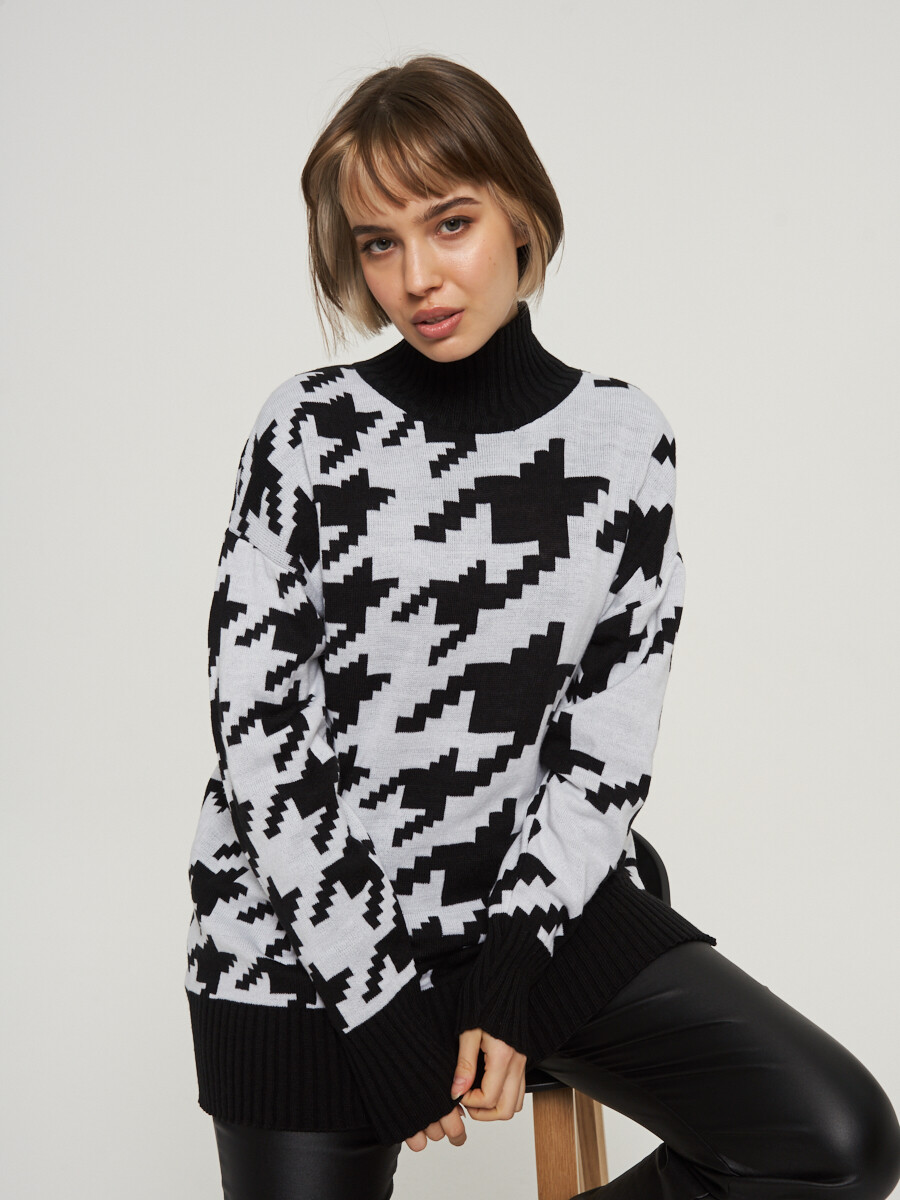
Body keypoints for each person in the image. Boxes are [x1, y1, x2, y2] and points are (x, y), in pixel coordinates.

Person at [184, 53, 900, 1200]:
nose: (418, 276)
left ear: (520, 211)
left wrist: (511, 971)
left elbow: (606, 746)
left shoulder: (624, 443)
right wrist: (380, 1003)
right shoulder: (305, 434)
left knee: (834, 1142)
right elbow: (261, 739)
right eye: (378, 243)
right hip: (303, 950)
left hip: (537, 925)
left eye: (450, 223)